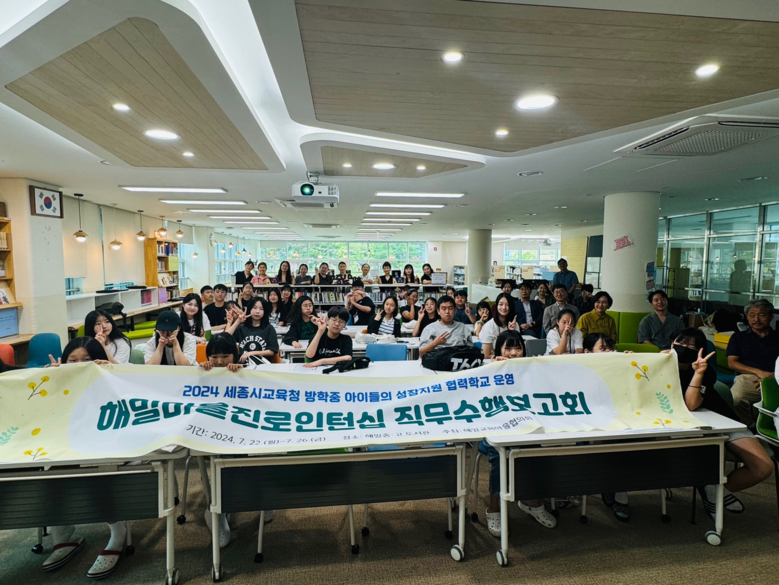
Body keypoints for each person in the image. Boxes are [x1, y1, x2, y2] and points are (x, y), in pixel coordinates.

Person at [41, 337, 131, 579]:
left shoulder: (108, 378)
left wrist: (111, 373)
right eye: (72, 361)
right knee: (51, 476)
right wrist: (50, 381)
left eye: (86, 360)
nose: (79, 365)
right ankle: (62, 535)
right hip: (67, 447)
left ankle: (118, 533)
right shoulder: (57, 380)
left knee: (96, 476)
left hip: (105, 448)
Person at [672, 328, 773, 517]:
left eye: (692, 346)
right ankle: (712, 491)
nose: (684, 348)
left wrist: (698, 373)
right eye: (681, 342)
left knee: (763, 467)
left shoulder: (706, 372)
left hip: (724, 421)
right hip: (691, 427)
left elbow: (692, 403)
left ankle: (713, 491)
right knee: (715, 457)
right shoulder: (660, 368)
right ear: (672, 343)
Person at [481, 330, 557, 537]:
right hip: (494, 430)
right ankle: (494, 508)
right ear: (498, 351)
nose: (514, 353)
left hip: (524, 428)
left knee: (537, 453)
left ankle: (531, 501)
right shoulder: (488, 369)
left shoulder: (529, 369)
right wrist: (492, 369)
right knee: (501, 456)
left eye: (518, 348)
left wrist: (540, 369)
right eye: (508, 348)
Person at [727, 299, 779, 427]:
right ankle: (748, 426)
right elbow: (732, 363)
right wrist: (759, 372)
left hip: (776, 378)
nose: (756, 319)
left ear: (771, 317)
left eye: (761, 315)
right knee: (736, 398)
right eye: (752, 315)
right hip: (749, 378)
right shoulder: (738, 337)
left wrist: (771, 378)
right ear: (747, 317)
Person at [226, 297, 279, 364]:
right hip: (243, 365)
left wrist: (250, 353)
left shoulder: (269, 328)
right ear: (249, 309)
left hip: (262, 365)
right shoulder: (242, 327)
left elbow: (271, 351)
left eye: (261, 309)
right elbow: (225, 338)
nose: (257, 311)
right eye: (254, 308)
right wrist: (237, 321)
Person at [479, 292, 518, 358]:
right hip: (494, 361)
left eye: (507, 305)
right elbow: (486, 355)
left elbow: (517, 349)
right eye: (501, 304)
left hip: (511, 360)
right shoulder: (489, 326)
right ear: (496, 306)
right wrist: (503, 358)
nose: (504, 307)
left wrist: (512, 332)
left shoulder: (515, 324)